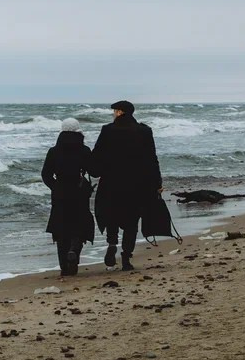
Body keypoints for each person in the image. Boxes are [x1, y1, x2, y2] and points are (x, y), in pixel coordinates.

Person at [89, 100, 162, 271]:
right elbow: (152, 159)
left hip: (111, 183)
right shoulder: (144, 131)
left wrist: (93, 171)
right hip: (137, 184)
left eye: (115, 111)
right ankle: (126, 257)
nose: (114, 113)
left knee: (111, 215)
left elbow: (97, 154)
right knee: (132, 221)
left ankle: (112, 242)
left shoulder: (107, 130)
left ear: (121, 112)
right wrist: (157, 182)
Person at [40, 118, 95, 277]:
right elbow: (93, 170)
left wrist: (55, 186)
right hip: (79, 192)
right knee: (79, 224)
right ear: (79, 131)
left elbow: (46, 174)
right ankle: (74, 250)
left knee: (60, 228)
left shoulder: (54, 151)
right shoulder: (84, 150)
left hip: (60, 192)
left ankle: (65, 267)